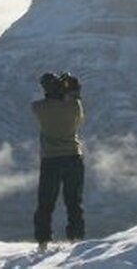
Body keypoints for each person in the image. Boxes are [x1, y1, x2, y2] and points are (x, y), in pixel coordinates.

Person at [31, 72, 85, 250]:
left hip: (50, 160)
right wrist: (71, 89)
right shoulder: (74, 107)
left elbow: (41, 102)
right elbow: (76, 99)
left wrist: (55, 89)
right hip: (73, 157)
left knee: (45, 203)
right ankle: (76, 239)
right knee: (74, 202)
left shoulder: (39, 108)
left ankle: (43, 241)